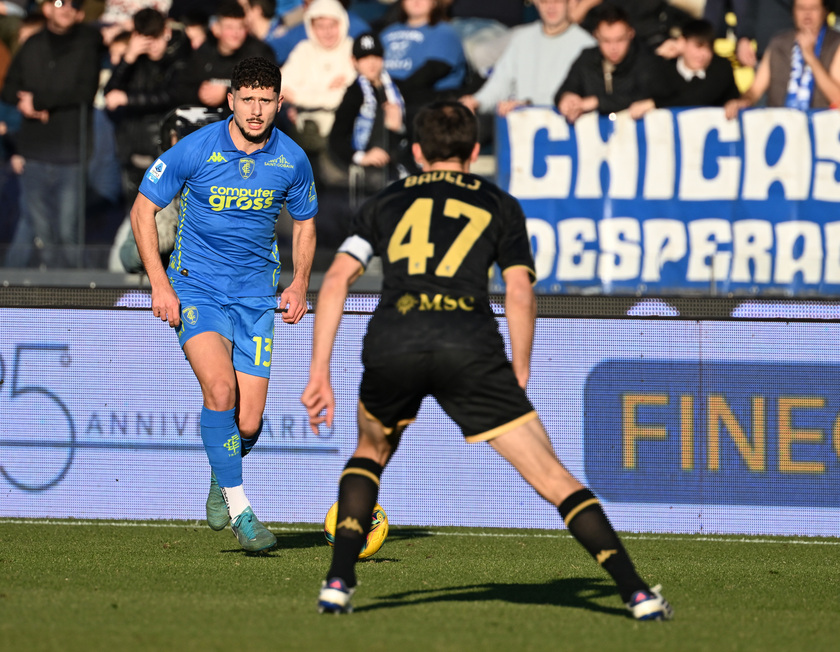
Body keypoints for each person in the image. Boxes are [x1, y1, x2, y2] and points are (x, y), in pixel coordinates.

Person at [301, 100, 673, 620]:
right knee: (553, 477)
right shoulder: (500, 203)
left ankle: (338, 582)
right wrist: (519, 367)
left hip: (395, 340)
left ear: (415, 151)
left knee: (369, 452)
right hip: (469, 346)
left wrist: (319, 372)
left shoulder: (385, 201)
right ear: (474, 152)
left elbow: (336, 278)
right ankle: (636, 592)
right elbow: (519, 291)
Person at [130, 56, 318, 552]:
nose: (256, 111)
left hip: (256, 298)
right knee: (220, 389)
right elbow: (142, 208)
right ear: (231, 100)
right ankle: (242, 511)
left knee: (249, 423)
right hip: (197, 290)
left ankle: (222, 473)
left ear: (279, 102)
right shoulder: (195, 149)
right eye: (247, 99)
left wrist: (299, 283)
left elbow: (305, 223)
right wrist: (159, 283)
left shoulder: (293, 159)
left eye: (266, 100)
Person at [0, 0, 103, 269]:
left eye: (74, 3)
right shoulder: (32, 43)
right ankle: (52, 295)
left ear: (80, 12)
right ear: (46, 8)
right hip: (34, 150)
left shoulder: (88, 41)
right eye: (59, 2)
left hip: (71, 151)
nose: (66, 7)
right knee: (41, 229)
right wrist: (27, 104)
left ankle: (75, 294)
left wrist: (40, 101)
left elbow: (85, 90)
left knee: (69, 231)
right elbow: (10, 88)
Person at [104, 7, 191, 207]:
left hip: (165, 150)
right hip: (132, 149)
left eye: (156, 37)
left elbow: (172, 95)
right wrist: (128, 57)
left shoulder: (181, 56)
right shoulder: (135, 60)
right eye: (146, 38)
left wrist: (128, 99)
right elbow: (110, 94)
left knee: (167, 219)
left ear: (166, 32)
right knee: (134, 219)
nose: (152, 45)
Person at [459, 0, 595, 117]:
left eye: (557, 1)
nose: (550, 7)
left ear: (570, 3)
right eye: (544, 1)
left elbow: (580, 96)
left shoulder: (586, 45)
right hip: (520, 129)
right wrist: (476, 101)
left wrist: (528, 105)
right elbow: (500, 82)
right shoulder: (521, 38)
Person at [328, 31, 410, 207]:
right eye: (364, 58)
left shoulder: (398, 89)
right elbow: (336, 138)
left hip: (397, 167)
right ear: (354, 62)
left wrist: (399, 127)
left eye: (376, 56)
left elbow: (411, 131)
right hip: (366, 178)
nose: (371, 63)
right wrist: (361, 157)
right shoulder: (354, 93)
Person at [724, 0, 840, 118]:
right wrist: (744, 101)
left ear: (824, 11)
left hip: (821, 127)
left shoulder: (835, 43)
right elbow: (755, 90)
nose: (807, 14)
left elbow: (837, 98)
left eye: (814, 8)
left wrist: (810, 57)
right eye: (801, 8)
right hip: (780, 125)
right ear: (793, 11)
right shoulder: (778, 43)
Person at [555, 3, 658, 123]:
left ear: (631, 34)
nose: (613, 47)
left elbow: (648, 95)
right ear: (596, 36)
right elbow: (567, 88)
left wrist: (596, 102)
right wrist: (568, 98)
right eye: (606, 40)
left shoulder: (646, 59)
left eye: (620, 40)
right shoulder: (586, 59)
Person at [629, 18, 741, 119]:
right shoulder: (665, 68)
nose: (704, 54)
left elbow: (697, 99)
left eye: (708, 48)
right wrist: (657, 56)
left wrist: (654, 104)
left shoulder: (721, 67)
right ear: (682, 43)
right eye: (698, 46)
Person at [175, 0, 276, 111]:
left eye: (241, 27)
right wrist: (199, 93)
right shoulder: (204, 52)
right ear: (216, 29)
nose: (236, 33)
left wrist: (228, 92)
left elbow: (267, 89)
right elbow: (181, 87)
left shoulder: (259, 53)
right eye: (229, 27)